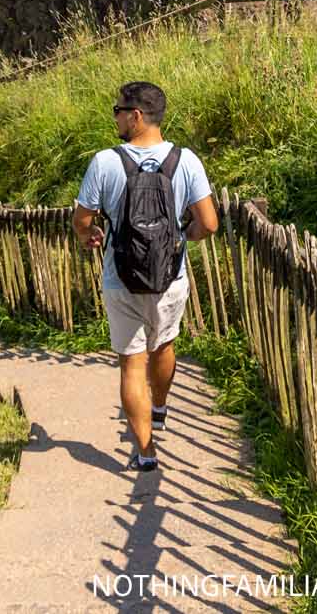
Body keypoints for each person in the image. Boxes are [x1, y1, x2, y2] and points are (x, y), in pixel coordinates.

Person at [72, 80, 218, 472]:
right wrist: (181, 237)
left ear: (136, 115)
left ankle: (146, 453)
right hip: (170, 277)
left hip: (122, 278)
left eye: (118, 111)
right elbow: (209, 223)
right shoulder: (185, 161)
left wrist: (91, 236)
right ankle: (160, 407)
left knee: (131, 364)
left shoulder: (105, 162)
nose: (116, 118)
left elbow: (82, 220)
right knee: (165, 344)